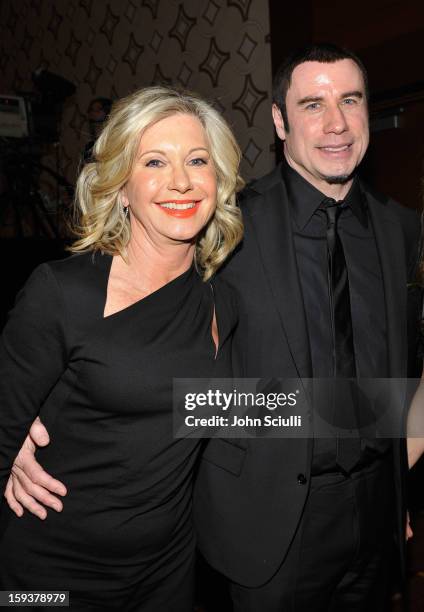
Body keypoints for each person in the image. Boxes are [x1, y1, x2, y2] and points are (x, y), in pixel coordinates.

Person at [4, 44, 421, 611]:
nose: (336, 124)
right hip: (98, 563)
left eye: (350, 100)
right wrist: (18, 425)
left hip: (228, 556)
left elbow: (212, 403)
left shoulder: (400, 230)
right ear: (278, 120)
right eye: (312, 104)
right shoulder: (218, 230)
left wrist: (393, 469)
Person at [0, 85, 243, 611]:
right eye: (154, 161)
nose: (181, 180)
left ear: (217, 181)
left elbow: (243, 410)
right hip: (47, 578)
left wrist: (398, 416)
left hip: (167, 577)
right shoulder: (63, 292)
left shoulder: (224, 304)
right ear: (121, 188)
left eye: (197, 160)